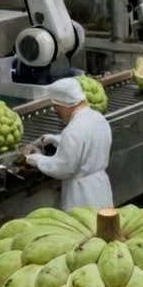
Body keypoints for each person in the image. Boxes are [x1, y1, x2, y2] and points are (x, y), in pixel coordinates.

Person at [25, 77, 113, 210]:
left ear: (64, 104)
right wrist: (56, 139)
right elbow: (87, 141)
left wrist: (36, 159)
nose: (56, 111)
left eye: (55, 106)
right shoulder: (98, 118)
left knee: (83, 229)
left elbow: (63, 168)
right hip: (100, 189)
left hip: (82, 197)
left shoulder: (72, 131)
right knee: (104, 226)